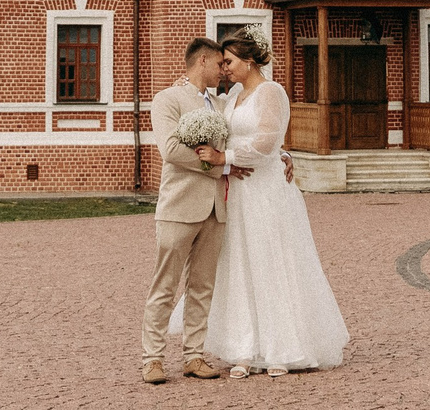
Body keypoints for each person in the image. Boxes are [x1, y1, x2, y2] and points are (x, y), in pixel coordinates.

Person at [201, 29, 349, 375]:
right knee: (240, 265)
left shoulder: (271, 92)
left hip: (265, 191)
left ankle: (281, 348)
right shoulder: (235, 94)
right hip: (238, 192)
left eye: (229, 62)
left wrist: (226, 158)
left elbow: (266, 142)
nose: (224, 69)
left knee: (270, 264)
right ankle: (244, 349)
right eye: (222, 62)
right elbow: (233, 130)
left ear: (249, 61)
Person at [141, 37, 233, 384]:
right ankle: (152, 359)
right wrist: (215, 165)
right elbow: (170, 149)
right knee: (164, 285)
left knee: (202, 286)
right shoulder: (167, 99)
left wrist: (279, 156)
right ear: (203, 61)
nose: (224, 70)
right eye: (220, 64)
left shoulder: (222, 104)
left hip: (216, 208)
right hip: (178, 206)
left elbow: (240, 142)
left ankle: (194, 355)